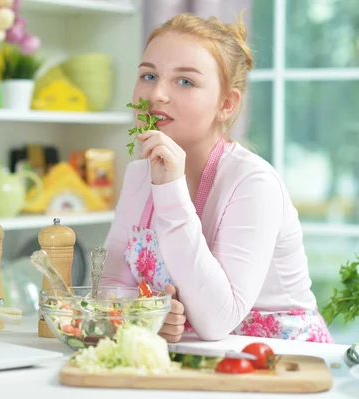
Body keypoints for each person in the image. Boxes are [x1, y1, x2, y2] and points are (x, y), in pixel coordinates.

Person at [100, 12, 333, 344]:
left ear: (226, 104)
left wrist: (169, 189)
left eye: (185, 81)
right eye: (149, 75)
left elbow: (216, 321)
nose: (157, 95)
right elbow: (111, 286)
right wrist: (144, 314)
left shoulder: (254, 183)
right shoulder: (139, 175)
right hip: (198, 360)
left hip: (280, 364)